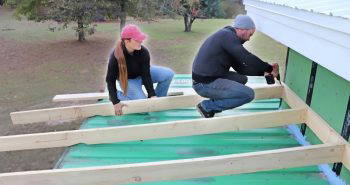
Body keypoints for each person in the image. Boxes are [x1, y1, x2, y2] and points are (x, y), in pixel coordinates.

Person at [192, 14, 279, 118]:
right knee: (248, 94)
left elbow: (241, 69)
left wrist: (263, 73)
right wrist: (269, 68)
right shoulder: (226, 36)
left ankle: (215, 99)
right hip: (204, 83)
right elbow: (247, 57)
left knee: (242, 79)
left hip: (210, 77)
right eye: (250, 35)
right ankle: (207, 107)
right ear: (244, 30)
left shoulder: (229, 39)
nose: (249, 39)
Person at [106, 24, 174, 116]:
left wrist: (152, 95)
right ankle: (119, 95)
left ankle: (158, 102)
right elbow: (110, 80)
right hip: (128, 80)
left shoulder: (143, 52)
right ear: (127, 41)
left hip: (141, 75)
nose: (141, 41)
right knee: (143, 109)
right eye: (137, 39)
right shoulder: (115, 56)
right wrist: (115, 101)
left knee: (168, 74)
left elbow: (146, 74)